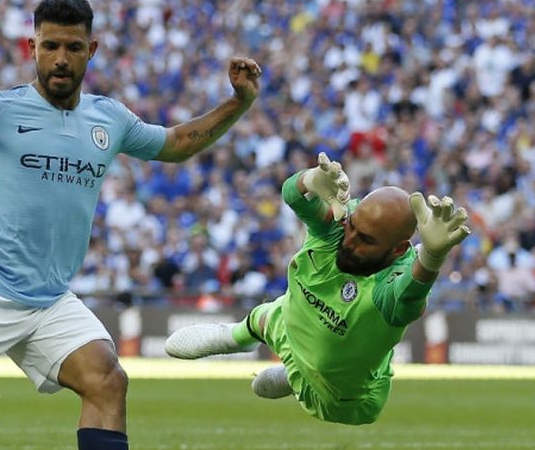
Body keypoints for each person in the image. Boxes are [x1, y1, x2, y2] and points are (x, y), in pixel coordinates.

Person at [0, 0, 261, 450]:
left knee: (107, 380)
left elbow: (179, 143)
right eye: (51, 46)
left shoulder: (110, 118)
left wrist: (237, 102)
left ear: (92, 49)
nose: (61, 59)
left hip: (50, 299)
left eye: (74, 48)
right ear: (32, 47)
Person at [166, 152, 470, 425]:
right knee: (272, 313)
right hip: (291, 321)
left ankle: (296, 377)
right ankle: (236, 336)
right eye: (353, 227)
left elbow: (410, 297)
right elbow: (294, 197)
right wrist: (310, 179)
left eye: (366, 240)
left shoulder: (389, 288)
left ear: (397, 250)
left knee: (310, 337)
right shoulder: (341, 222)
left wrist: (432, 256)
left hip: (342, 396)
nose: (349, 241)